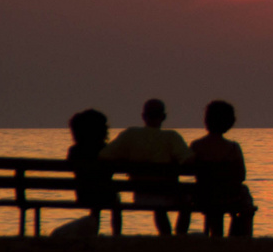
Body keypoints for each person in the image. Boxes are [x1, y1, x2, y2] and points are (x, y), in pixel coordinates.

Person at [101, 98, 190, 235]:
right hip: (167, 194)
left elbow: (104, 155)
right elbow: (188, 161)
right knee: (187, 199)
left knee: (159, 203)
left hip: (141, 195)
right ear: (164, 117)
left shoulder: (130, 135)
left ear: (143, 116)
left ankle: (167, 235)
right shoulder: (172, 137)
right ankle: (179, 236)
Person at [185, 99, 254, 238]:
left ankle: (216, 235)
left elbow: (187, 168)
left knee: (213, 199)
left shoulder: (197, 146)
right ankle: (238, 236)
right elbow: (241, 176)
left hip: (204, 196)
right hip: (230, 197)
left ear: (206, 121)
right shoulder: (233, 148)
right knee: (245, 199)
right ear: (230, 123)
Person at [50, 108, 112, 238]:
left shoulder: (74, 151)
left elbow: (70, 167)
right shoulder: (106, 150)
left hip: (83, 194)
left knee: (97, 194)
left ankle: (94, 231)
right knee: (114, 197)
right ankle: (116, 234)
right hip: (106, 195)